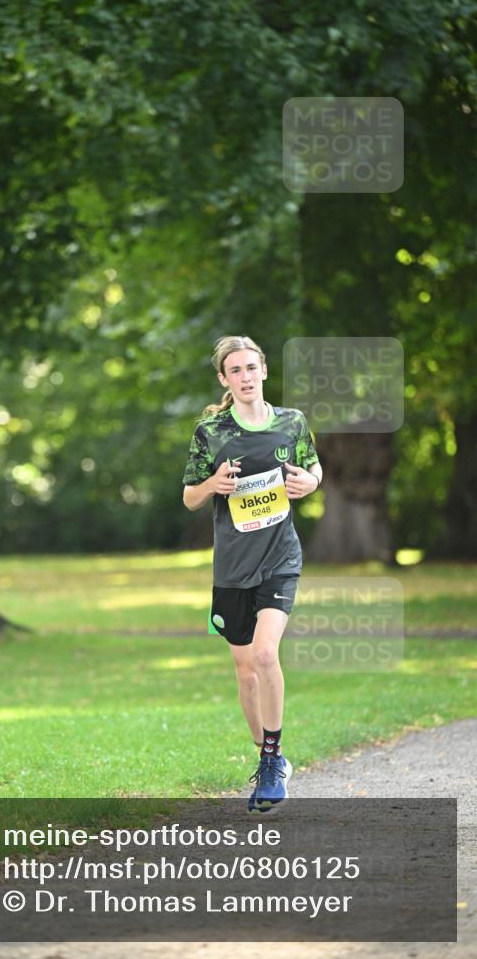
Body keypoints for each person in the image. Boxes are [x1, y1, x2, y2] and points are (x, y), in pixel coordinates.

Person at [182, 335, 322, 812]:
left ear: (264, 371)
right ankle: (269, 759)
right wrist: (211, 483)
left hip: (280, 558)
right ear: (225, 379)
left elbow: (313, 467)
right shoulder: (211, 432)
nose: (245, 377)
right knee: (245, 675)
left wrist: (311, 480)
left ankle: (272, 759)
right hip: (232, 568)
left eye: (251, 368)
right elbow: (189, 497)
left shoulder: (292, 423)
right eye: (235, 370)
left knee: (265, 655)